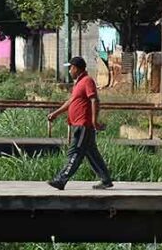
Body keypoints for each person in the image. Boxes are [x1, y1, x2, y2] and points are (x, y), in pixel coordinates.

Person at [47, 56, 113, 190]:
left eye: (70, 68)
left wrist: (94, 120)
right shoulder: (79, 83)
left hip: (83, 124)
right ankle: (106, 179)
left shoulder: (87, 81)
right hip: (78, 124)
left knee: (75, 152)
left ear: (76, 68)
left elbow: (94, 100)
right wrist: (55, 113)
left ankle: (61, 179)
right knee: (91, 153)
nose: (70, 71)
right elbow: (71, 102)